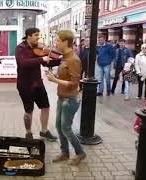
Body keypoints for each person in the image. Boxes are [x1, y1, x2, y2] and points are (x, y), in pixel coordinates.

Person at [45, 30, 86, 165]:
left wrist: (55, 81)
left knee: (66, 128)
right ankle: (64, 152)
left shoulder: (74, 59)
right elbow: (65, 77)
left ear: (65, 42)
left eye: (57, 40)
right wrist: (55, 77)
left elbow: (74, 84)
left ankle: (80, 153)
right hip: (62, 97)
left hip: (70, 99)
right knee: (58, 126)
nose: (56, 43)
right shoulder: (65, 57)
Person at [15, 27, 60, 141]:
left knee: (45, 107)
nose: (38, 38)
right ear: (28, 36)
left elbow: (46, 63)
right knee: (29, 110)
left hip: (37, 83)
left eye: (38, 35)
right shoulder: (20, 48)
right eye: (36, 35)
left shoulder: (38, 48)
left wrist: (60, 59)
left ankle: (44, 131)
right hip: (25, 84)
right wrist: (42, 59)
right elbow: (23, 63)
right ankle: (28, 133)